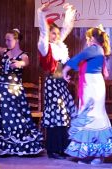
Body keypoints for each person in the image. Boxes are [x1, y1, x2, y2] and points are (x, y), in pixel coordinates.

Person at [62, 25, 112, 165]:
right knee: (87, 115)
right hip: (91, 83)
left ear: (93, 39)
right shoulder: (98, 50)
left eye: (88, 38)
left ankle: (97, 156)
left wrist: (65, 71)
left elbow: (77, 58)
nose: (87, 41)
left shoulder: (94, 48)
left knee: (93, 116)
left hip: (93, 84)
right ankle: (87, 154)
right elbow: (103, 71)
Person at [0, 28, 44, 156]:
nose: (6, 42)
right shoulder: (5, 51)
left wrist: (20, 63)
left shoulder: (23, 55)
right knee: (2, 116)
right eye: (5, 40)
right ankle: (3, 146)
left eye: (9, 40)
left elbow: (25, 62)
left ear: (17, 40)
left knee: (14, 115)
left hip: (14, 90)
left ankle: (17, 143)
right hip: (2, 90)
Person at [37, 2, 76, 159]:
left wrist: (69, 12)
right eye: (53, 33)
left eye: (57, 33)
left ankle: (62, 147)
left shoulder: (60, 46)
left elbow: (66, 29)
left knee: (65, 114)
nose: (56, 35)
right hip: (52, 83)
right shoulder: (45, 47)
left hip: (61, 83)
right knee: (56, 115)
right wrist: (41, 13)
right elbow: (43, 33)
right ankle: (53, 149)